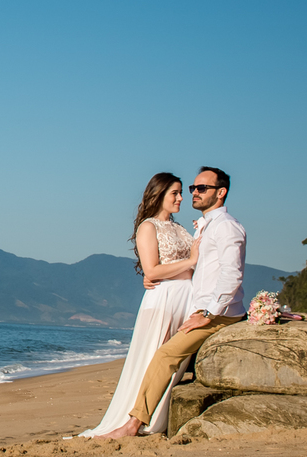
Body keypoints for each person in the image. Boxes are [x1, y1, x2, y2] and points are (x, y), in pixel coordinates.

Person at [99, 166, 246, 440]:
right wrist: (155, 275)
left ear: (221, 192)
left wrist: (207, 312)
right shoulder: (200, 225)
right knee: (160, 355)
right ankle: (134, 421)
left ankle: (138, 423)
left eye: (199, 189)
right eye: (188, 190)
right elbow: (161, 267)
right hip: (177, 300)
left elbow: (230, 274)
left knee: (168, 356)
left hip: (203, 308)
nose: (190, 195)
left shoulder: (224, 227)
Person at [78, 173, 201, 437]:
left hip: (185, 299)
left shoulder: (180, 228)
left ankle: (157, 416)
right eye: (175, 193)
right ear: (159, 195)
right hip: (164, 300)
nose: (181, 198)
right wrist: (190, 262)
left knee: (174, 362)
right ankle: (138, 418)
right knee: (153, 359)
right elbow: (153, 270)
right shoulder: (148, 227)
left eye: (181, 193)